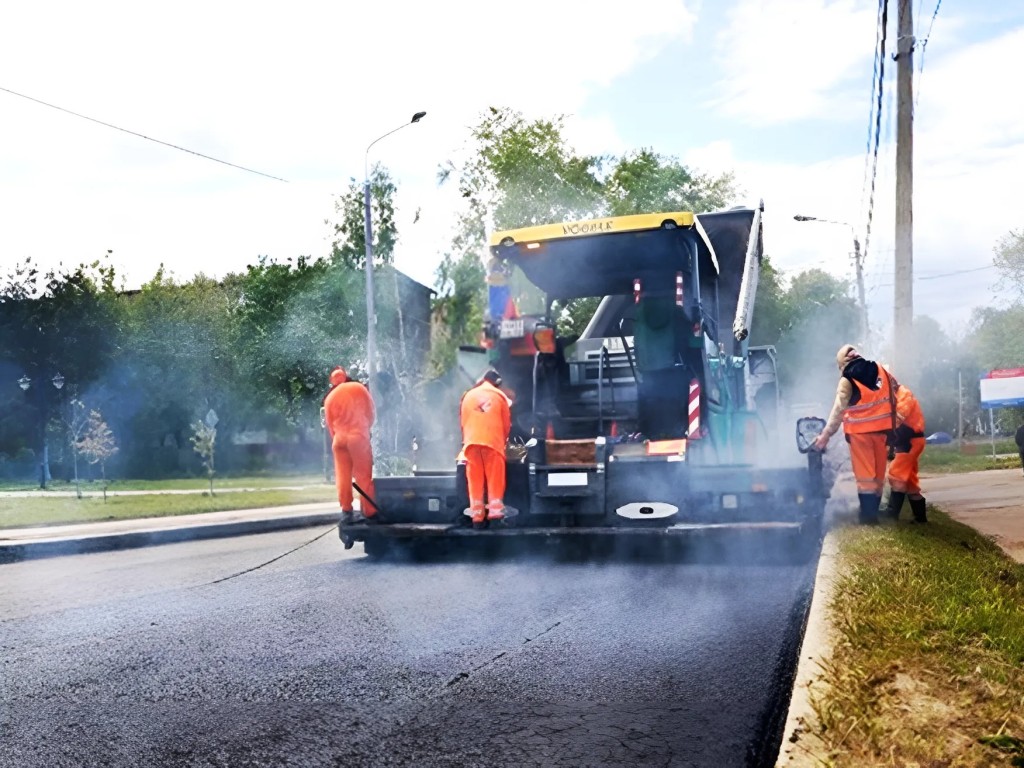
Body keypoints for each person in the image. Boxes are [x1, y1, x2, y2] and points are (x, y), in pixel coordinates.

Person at [812, 344, 926, 524]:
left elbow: (838, 410)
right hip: (882, 432)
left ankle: (868, 517)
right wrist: (892, 431)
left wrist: (826, 435)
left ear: (843, 363)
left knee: (865, 476)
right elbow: (894, 398)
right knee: (878, 474)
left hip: (860, 434)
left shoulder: (847, 378)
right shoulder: (882, 370)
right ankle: (876, 512)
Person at [459, 369, 512, 529]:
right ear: (497, 383)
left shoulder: (467, 396)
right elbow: (506, 424)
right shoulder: (500, 396)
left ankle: (477, 519)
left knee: (475, 481)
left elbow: (462, 423)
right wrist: (503, 441)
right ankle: (495, 517)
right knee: (494, 480)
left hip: (471, 444)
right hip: (493, 444)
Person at [323, 366, 376, 524]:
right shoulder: (358, 388)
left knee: (343, 475)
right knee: (363, 475)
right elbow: (371, 412)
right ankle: (369, 511)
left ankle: (346, 511)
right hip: (357, 437)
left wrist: (337, 439)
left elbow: (330, 425)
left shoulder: (329, 398)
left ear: (332, 382)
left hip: (339, 440)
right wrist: (366, 428)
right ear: (345, 377)